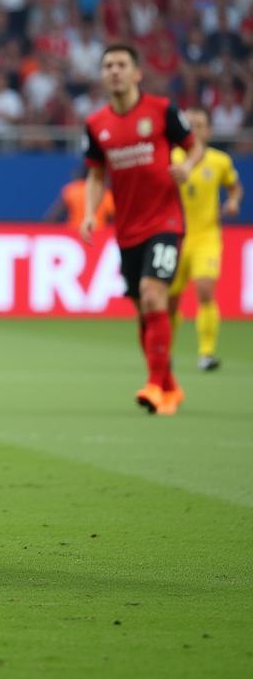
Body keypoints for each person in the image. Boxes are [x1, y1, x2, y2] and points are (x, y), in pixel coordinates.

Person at [80, 45, 204, 416]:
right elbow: (97, 174)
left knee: (153, 295)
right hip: (127, 229)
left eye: (121, 65)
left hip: (165, 221)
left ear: (136, 73)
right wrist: (90, 212)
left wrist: (188, 166)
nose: (114, 71)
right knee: (142, 309)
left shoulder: (162, 110)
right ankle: (168, 385)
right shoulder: (96, 123)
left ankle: (153, 385)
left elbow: (193, 146)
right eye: (108, 66)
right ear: (103, 75)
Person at [168, 106, 243, 372]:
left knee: (205, 291)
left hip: (206, 236)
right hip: (175, 237)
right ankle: (165, 350)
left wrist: (233, 202)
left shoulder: (219, 161)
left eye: (200, 125)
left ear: (209, 130)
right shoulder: (171, 157)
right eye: (190, 125)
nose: (195, 130)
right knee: (171, 300)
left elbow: (234, 187)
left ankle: (206, 353)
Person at [45, 164, 114, 230]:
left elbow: (54, 216)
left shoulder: (72, 190)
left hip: (74, 231)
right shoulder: (105, 193)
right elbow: (114, 217)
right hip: (99, 232)